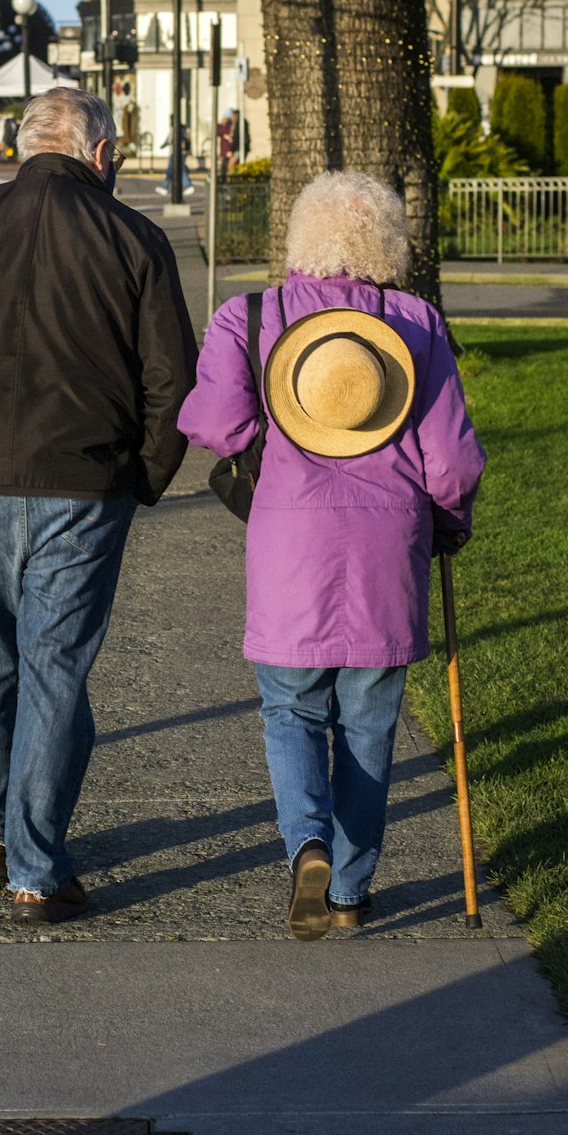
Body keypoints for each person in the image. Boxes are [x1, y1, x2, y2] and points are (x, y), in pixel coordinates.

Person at [0, 88, 197, 927]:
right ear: (100, 155)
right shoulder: (133, 237)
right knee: (55, 672)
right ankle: (35, 868)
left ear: (23, 148)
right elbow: (173, 382)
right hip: (81, 485)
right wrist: (144, 478)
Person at [178, 170, 485, 941]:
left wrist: (266, 433)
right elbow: (451, 464)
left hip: (291, 546)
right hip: (388, 550)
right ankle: (349, 890)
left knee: (289, 708)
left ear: (301, 235)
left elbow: (212, 424)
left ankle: (306, 844)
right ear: (388, 242)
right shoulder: (413, 322)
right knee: (369, 724)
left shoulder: (250, 316)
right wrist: (452, 522)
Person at [156, 122, 194, 197]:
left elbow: (169, 140)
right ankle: (165, 187)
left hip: (176, 153)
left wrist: (163, 145)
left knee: (178, 169)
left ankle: (188, 186)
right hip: (183, 153)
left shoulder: (174, 128)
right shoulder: (184, 129)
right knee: (175, 169)